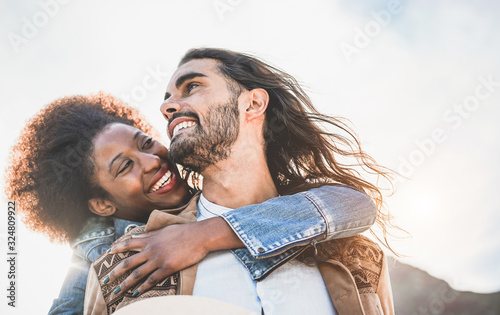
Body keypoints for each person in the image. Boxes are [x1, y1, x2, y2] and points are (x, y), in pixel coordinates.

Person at [4, 93, 377, 315]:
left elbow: (351, 205)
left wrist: (202, 236)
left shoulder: (217, 189)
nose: (152, 161)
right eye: (125, 167)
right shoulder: (97, 254)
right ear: (102, 205)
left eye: (145, 143)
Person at [85, 48, 395, 314]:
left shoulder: (358, 257)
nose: (166, 107)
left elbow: (356, 204)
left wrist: (203, 236)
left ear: (253, 104)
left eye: (192, 86)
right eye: (167, 101)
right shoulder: (132, 259)